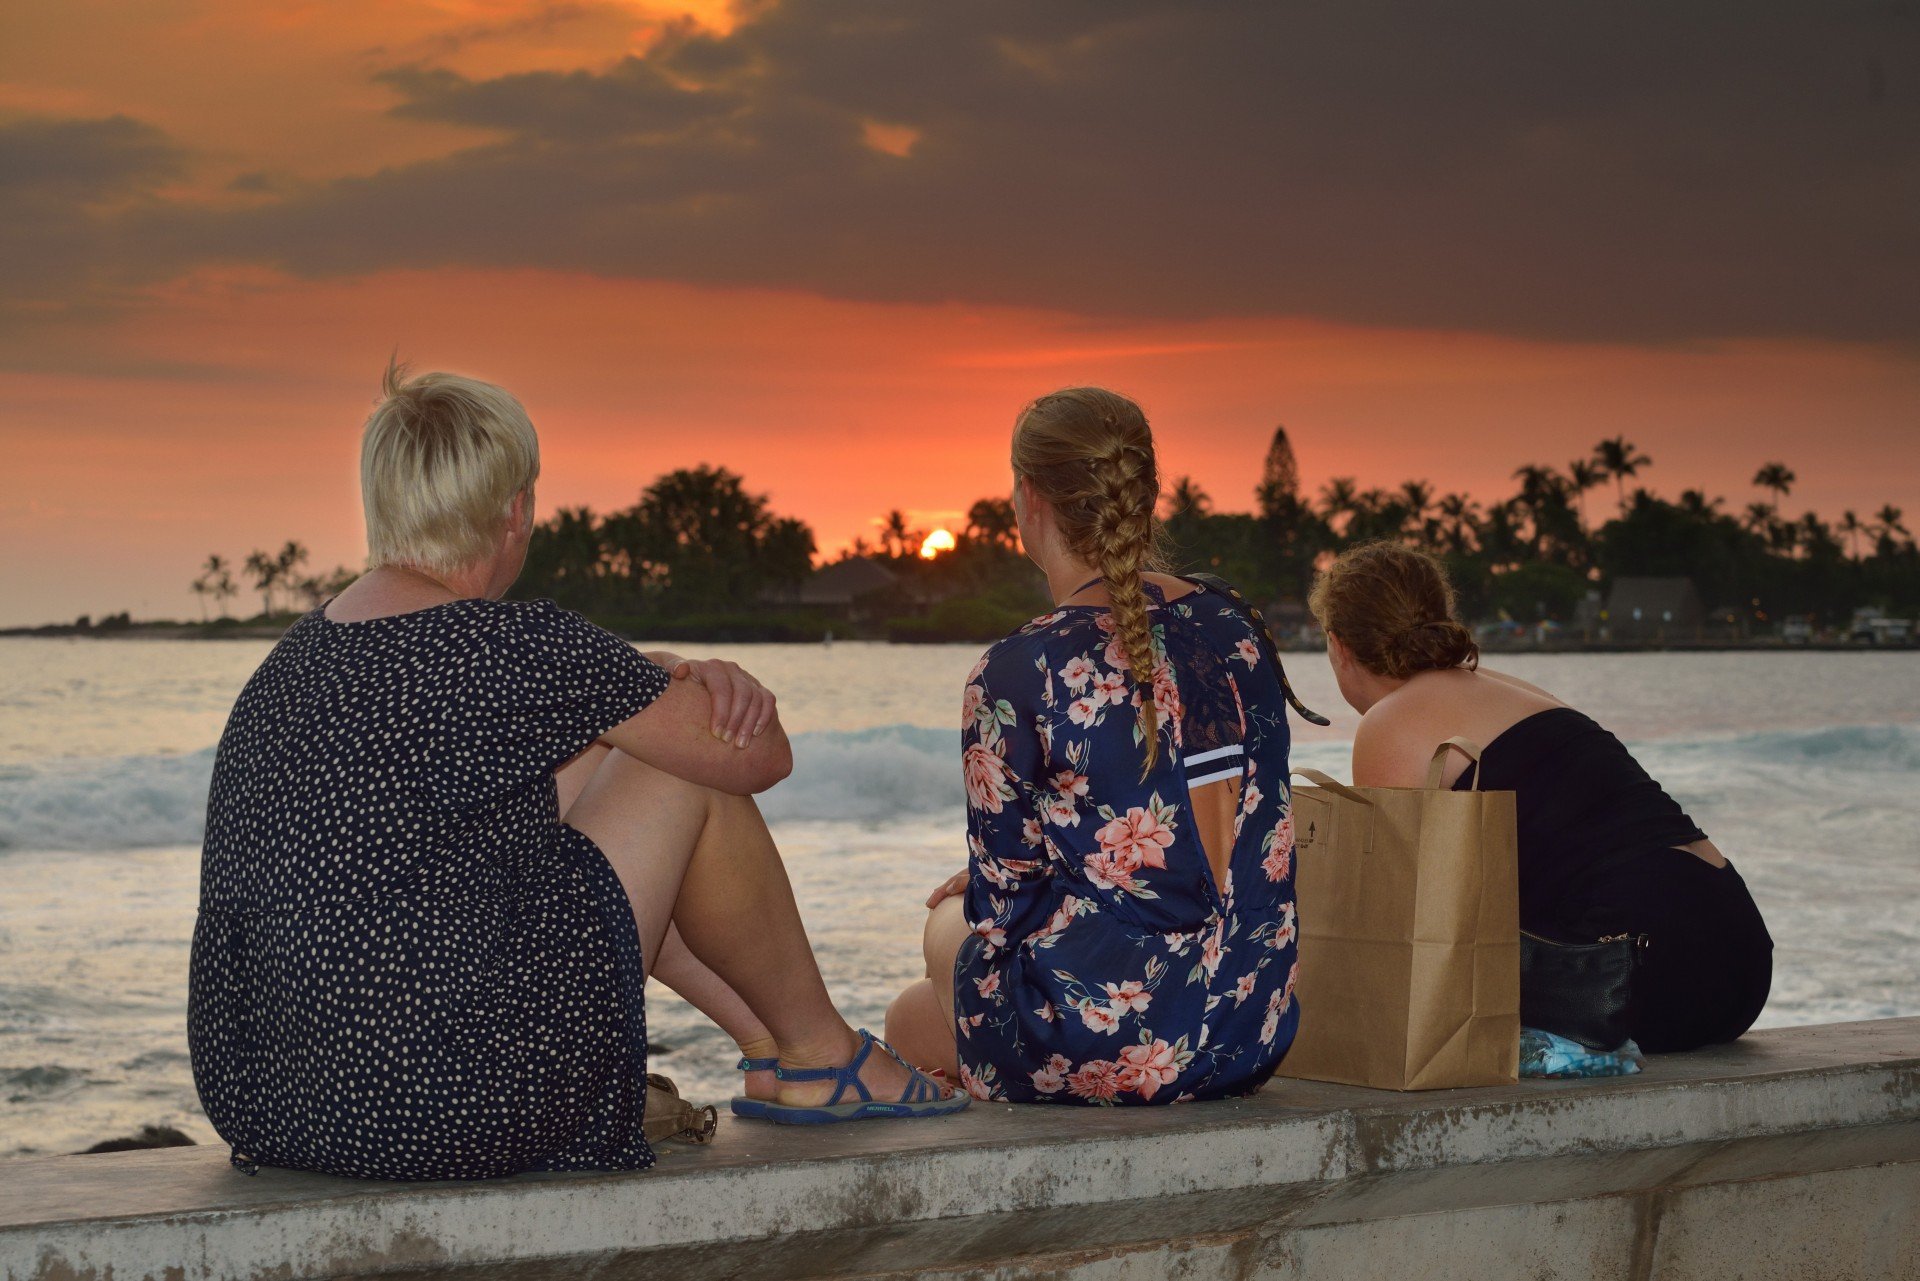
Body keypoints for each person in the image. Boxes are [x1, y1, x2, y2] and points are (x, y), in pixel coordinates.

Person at [188, 364, 961, 1181]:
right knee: (680, 773)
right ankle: (823, 1053)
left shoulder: (291, 662)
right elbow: (760, 758)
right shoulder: (509, 646)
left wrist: (641, 683)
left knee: (592, 763)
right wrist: (689, 680)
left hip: (271, 1104)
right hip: (447, 1105)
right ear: (517, 510)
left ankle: (771, 1045)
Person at [885, 387, 1302, 1104]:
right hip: (1251, 1025)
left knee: (929, 964)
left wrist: (982, 884)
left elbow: (1005, 913)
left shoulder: (1018, 670)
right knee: (929, 1001)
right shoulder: (1235, 625)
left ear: (1029, 497)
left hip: (1119, 1046)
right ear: (1146, 493)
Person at [1308, 541, 1773, 1052]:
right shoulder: (1509, 689)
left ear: (1338, 645)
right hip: (1741, 961)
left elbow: (1392, 914)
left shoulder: (1391, 722)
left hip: (1629, 974)